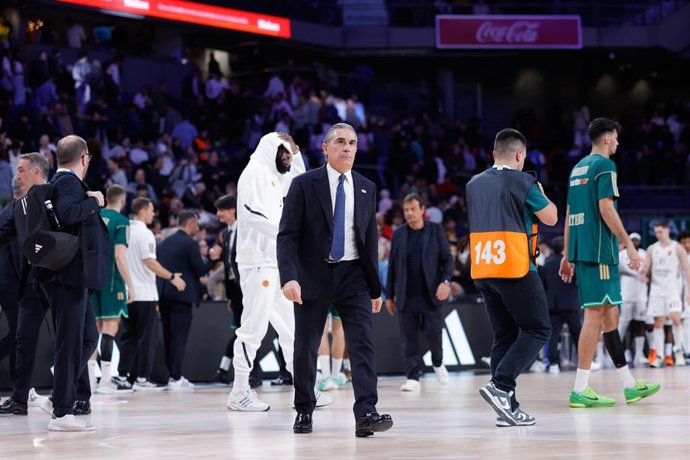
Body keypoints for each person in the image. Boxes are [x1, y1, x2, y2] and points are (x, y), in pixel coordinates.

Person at [278, 122, 393, 436]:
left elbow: (369, 242)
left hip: (353, 275)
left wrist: (375, 287)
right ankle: (304, 409)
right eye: (340, 142)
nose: (347, 148)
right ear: (325, 148)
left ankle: (366, 412)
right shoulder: (303, 184)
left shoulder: (366, 186)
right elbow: (287, 235)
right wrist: (289, 277)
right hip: (312, 275)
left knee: (363, 345)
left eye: (353, 143)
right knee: (305, 347)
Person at [559, 117, 660, 408]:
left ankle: (629, 385)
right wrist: (628, 244)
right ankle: (580, 388)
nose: (617, 142)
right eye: (615, 137)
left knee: (609, 316)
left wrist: (567, 253)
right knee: (595, 316)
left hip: (582, 249)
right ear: (606, 138)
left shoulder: (577, 169)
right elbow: (606, 209)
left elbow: (569, 213)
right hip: (601, 251)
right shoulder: (605, 166)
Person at [466, 128, 557, 427]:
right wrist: (541, 193)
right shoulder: (523, 181)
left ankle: (508, 408)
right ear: (520, 155)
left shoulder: (473, 184)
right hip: (515, 267)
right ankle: (501, 385)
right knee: (538, 329)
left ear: (494, 154)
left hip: (483, 269)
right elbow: (551, 217)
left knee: (504, 336)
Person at [226, 132, 309, 411]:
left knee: (291, 328)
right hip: (256, 260)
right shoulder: (254, 173)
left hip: (274, 261)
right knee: (253, 329)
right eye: (284, 155)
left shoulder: (276, 174)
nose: (287, 161)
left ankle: (305, 387)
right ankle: (239, 391)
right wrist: (284, 234)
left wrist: (296, 152)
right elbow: (249, 215)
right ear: (271, 151)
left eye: (288, 157)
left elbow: (302, 182)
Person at [39, 135, 108, 431]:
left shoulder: (61, 182)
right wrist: (93, 200)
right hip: (69, 276)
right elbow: (67, 214)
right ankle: (61, 411)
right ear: (84, 159)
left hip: (71, 277)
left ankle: (59, 396)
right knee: (71, 345)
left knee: (88, 338)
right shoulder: (67, 183)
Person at [0, 155, 52, 416]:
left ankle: (77, 396)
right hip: (24, 283)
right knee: (22, 338)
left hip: (49, 280)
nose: (17, 175)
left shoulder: (48, 199)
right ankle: (21, 395)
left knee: (79, 338)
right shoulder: (15, 209)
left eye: (21, 171)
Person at [385, 193, 453, 391]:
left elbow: (447, 260)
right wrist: (389, 295)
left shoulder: (435, 230)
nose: (409, 213)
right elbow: (392, 267)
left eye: (413, 209)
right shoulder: (398, 234)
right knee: (409, 339)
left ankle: (438, 362)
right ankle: (412, 377)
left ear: (422, 210)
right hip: (406, 294)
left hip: (430, 293)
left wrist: (445, 281)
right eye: (406, 210)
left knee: (433, 333)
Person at [117, 197, 185, 391]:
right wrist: (171, 277)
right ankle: (141, 379)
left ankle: (123, 377)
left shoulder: (125, 229)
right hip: (145, 294)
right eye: (151, 210)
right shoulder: (145, 233)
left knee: (128, 337)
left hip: (129, 293)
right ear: (143, 210)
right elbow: (149, 262)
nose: (154, 214)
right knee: (146, 339)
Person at [208, 195, 262, 387]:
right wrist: (216, 255)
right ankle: (250, 373)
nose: (218, 214)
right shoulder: (226, 233)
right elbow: (229, 265)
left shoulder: (246, 229)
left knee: (250, 330)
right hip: (236, 291)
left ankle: (254, 374)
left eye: (222, 210)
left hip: (249, 287)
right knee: (243, 331)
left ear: (233, 210)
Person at [157, 210, 214, 389]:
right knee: (179, 338)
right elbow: (200, 270)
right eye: (196, 224)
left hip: (164, 295)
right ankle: (176, 377)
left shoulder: (165, 243)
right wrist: (213, 260)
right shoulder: (190, 243)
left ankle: (171, 376)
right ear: (190, 224)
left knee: (169, 337)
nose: (197, 228)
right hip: (182, 297)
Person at [88, 185, 135, 393]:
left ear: (106, 198)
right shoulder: (122, 221)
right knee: (109, 330)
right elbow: (119, 255)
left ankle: (90, 381)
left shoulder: (93, 216)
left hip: (91, 280)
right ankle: (106, 382)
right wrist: (130, 285)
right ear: (122, 200)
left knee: (93, 331)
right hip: (112, 281)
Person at [641, 221, 690, 367]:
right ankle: (659, 355)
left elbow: (687, 270)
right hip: (657, 291)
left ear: (667, 230)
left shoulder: (678, 248)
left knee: (676, 319)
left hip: (672, 291)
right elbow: (646, 269)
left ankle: (679, 352)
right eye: (656, 232)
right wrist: (643, 273)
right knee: (658, 323)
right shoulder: (651, 248)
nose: (658, 235)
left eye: (660, 232)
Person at [539, 237, 581, 373]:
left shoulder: (547, 263)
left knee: (553, 335)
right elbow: (578, 281)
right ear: (565, 248)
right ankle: (586, 361)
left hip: (553, 304)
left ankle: (553, 364)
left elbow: (543, 284)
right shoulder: (571, 263)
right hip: (570, 304)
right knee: (577, 333)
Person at [618, 233, 648, 366]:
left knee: (640, 323)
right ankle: (619, 352)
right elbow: (620, 269)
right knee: (623, 323)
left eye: (637, 239)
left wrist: (644, 274)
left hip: (641, 294)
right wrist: (636, 275)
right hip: (626, 293)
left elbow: (647, 269)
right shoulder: (623, 254)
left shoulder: (644, 253)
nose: (634, 241)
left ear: (640, 241)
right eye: (632, 239)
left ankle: (639, 354)